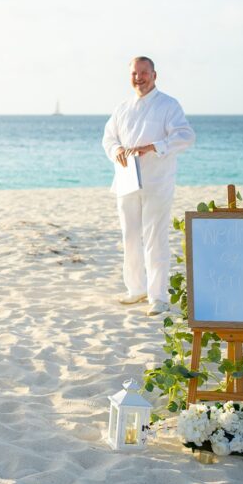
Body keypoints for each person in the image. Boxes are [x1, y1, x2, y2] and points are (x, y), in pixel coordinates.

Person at [102, 56, 195, 316]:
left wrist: (154, 146)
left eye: (144, 72)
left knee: (155, 238)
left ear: (154, 75)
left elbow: (186, 136)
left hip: (157, 182)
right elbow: (108, 139)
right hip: (126, 181)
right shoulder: (122, 108)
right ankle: (136, 289)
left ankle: (158, 296)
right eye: (134, 73)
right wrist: (117, 149)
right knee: (130, 237)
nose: (138, 78)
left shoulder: (168, 105)